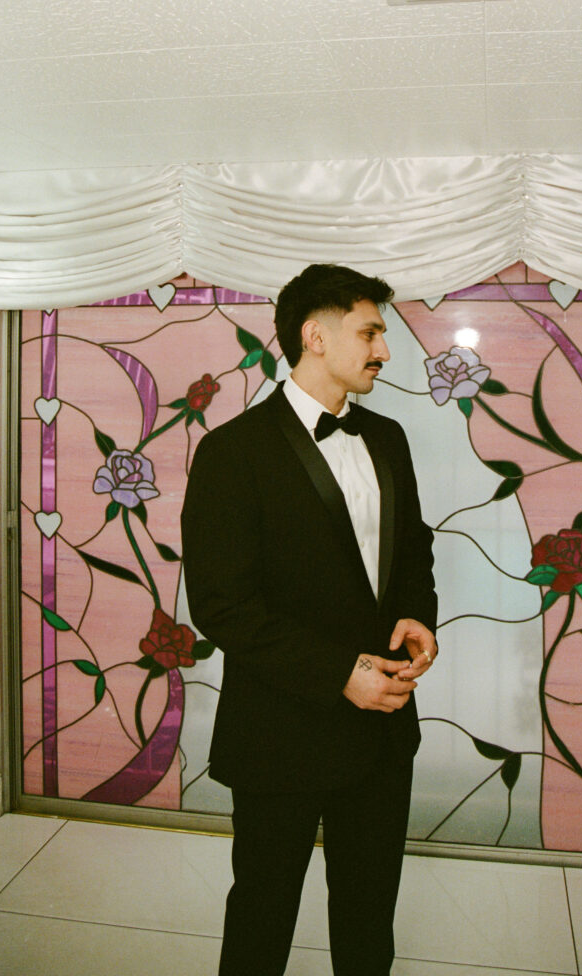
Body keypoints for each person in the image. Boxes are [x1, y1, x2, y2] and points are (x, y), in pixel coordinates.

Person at [181, 263, 438, 976]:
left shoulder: (387, 437)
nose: (383, 349)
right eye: (370, 331)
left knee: (367, 915)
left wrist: (418, 613)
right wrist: (338, 675)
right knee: (263, 914)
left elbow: (412, 547)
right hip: (278, 733)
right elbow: (223, 605)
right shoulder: (231, 452)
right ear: (313, 335)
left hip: (382, 729)